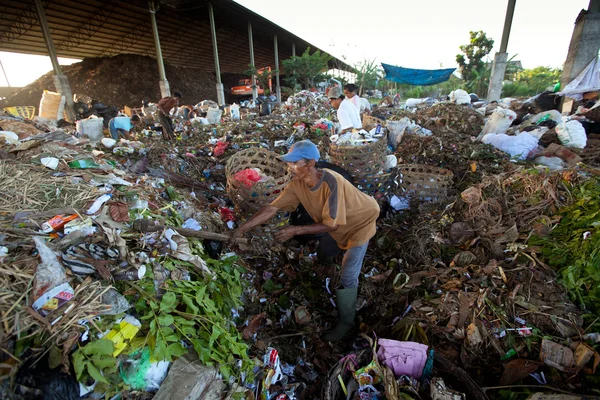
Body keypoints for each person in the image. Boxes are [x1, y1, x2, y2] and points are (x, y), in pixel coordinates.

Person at [231, 140, 380, 342]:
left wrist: (295, 229)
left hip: (361, 222)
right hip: (336, 225)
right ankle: (325, 268)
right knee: (326, 250)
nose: (289, 168)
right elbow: (272, 209)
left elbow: (331, 225)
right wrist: (242, 228)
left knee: (348, 273)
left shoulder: (332, 182)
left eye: (294, 163)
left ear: (310, 164)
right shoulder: (297, 185)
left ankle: (347, 323)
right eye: (289, 163)